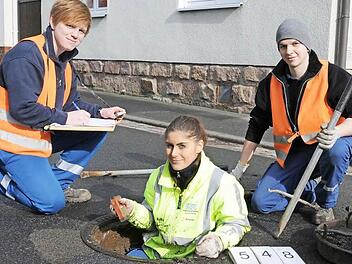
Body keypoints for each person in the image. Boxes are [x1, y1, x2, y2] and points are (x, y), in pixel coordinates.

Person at [0, 0, 126, 214]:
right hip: (10, 143)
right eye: (69, 26)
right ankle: (5, 180)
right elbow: (22, 109)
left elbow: (69, 104)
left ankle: (57, 184)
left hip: (38, 136)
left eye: (81, 30)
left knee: (101, 128)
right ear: (52, 21)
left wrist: (100, 113)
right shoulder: (27, 55)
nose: (75, 34)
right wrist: (66, 119)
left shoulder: (65, 64)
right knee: (50, 204)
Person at [231, 18, 352, 225]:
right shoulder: (271, 83)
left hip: (328, 146)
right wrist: (240, 168)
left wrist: (337, 132)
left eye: (295, 44)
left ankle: (325, 205)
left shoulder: (331, 75)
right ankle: (307, 191)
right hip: (295, 152)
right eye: (283, 46)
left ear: (306, 46)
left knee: (337, 151)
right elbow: (256, 126)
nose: (289, 51)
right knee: (261, 202)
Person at [110, 115, 250, 260]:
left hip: (194, 258)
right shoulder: (157, 176)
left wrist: (218, 241)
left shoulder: (223, 183)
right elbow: (151, 220)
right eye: (169, 145)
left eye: (182, 146)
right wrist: (132, 210)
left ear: (199, 146)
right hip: (156, 252)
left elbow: (237, 224)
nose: (174, 153)